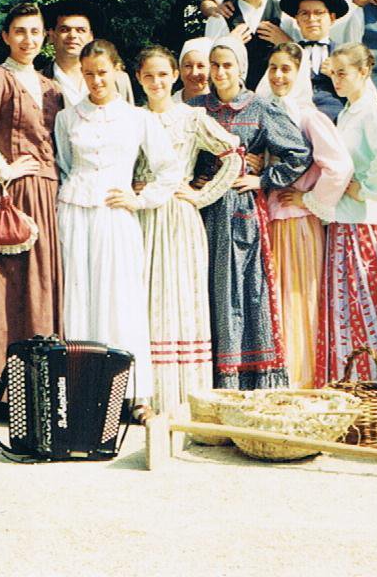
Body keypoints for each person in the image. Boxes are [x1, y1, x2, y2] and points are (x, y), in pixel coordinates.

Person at [55, 41, 181, 406]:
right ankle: (81, 390)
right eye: (89, 73)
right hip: (75, 215)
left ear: (117, 71)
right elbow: (65, 164)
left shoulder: (137, 118)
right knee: (78, 298)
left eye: (102, 72)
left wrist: (139, 199)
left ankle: (128, 393)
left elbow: (167, 170)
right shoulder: (67, 118)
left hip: (116, 216)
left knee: (120, 299)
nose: (96, 80)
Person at [192, 36, 311, 389]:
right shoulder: (196, 107)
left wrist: (263, 179)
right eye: (215, 65)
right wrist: (194, 178)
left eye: (227, 65)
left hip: (238, 210)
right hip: (201, 210)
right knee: (204, 288)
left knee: (240, 289)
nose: (220, 72)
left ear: (241, 68)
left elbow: (298, 153)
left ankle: (243, 380)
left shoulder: (259, 108)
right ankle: (204, 377)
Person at [0, 2, 65, 398]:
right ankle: (6, 388)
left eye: (36, 32)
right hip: (13, 196)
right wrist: (3, 170)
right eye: (20, 31)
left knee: (43, 284)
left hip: (48, 191)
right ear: (6, 36)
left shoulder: (51, 87)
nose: (28, 39)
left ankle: (43, 382)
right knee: (12, 287)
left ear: (46, 38)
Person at [136, 45, 243, 412]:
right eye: (149, 75)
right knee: (145, 300)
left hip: (179, 217)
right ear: (139, 78)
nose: (157, 82)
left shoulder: (191, 117)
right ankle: (144, 397)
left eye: (163, 75)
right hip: (142, 217)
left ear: (175, 77)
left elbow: (233, 155)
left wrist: (201, 195)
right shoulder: (133, 118)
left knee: (178, 299)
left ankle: (182, 396)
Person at [259, 44, 353, 387]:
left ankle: (299, 380)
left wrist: (308, 197)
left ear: (298, 73)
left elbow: (340, 165)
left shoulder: (308, 116)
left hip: (297, 220)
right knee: (276, 301)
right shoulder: (267, 110)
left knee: (297, 300)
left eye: (286, 69)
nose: (278, 76)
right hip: (271, 218)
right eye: (273, 68)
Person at [318, 43, 377, 385]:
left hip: (364, 224)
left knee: (362, 308)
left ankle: (365, 385)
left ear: (364, 73)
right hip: (342, 220)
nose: (337, 80)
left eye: (344, 73)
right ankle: (342, 381)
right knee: (340, 310)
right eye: (333, 73)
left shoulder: (374, 115)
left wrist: (364, 190)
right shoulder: (348, 112)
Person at [276, 0, 351, 120]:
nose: (311, 19)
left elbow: (361, 94)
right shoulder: (287, 55)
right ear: (297, 20)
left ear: (332, 17)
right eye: (305, 13)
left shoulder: (345, 54)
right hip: (294, 119)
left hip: (336, 121)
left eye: (318, 13)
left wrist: (337, 75)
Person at [41, 0, 97, 108]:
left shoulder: (116, 80)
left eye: (81, 30)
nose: (73, 35)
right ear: (52, 35)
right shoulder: (35, 82)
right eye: (64, 29)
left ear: (91, 37)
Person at [176, 37, 213, 102]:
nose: (194, 73)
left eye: (200, 66)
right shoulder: (169, 107)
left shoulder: (223, 106)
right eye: (188, 66)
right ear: (180, 69)